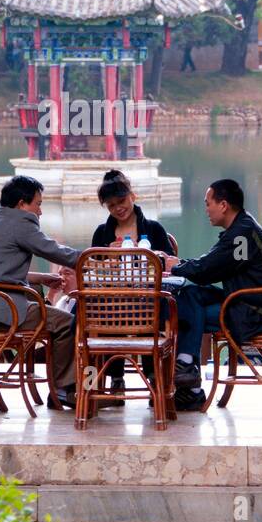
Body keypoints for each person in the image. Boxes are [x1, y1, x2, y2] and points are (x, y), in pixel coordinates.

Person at [163, 179, 262, 410]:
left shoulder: (242, 234)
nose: (206, 209)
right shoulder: (242, 228)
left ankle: (188, 380)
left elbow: (209, 268)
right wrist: (181, 265)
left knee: (183, 311)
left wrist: (175, 267)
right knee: (189, 295)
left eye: (208, 204)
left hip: (259, 312)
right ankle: (188, 376)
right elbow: (212, 264)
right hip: (245, 300)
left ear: (224, 205)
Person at [0, 175, 82, 410]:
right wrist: (93, 258)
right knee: (67, 322)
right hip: (1, 310)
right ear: (21, 204)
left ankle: (63, 386)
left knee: (50, 310)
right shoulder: (20, 222)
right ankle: (65, 389)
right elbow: (54, 251)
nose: (40, 211)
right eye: (37, 204)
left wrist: (39, 278)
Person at [89, 169, 176, 402]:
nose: (118, 208)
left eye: (122, 201)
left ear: (133, 197)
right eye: (111, 205)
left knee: (150, 312)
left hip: (148, 300)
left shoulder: (155, 229)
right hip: (112, 302)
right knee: (100, 314)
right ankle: (108, 380)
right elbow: (89, 269)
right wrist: (107, 258)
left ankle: (153, 377)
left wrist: (152, 255)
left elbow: (170, 266)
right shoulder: (101, 234)